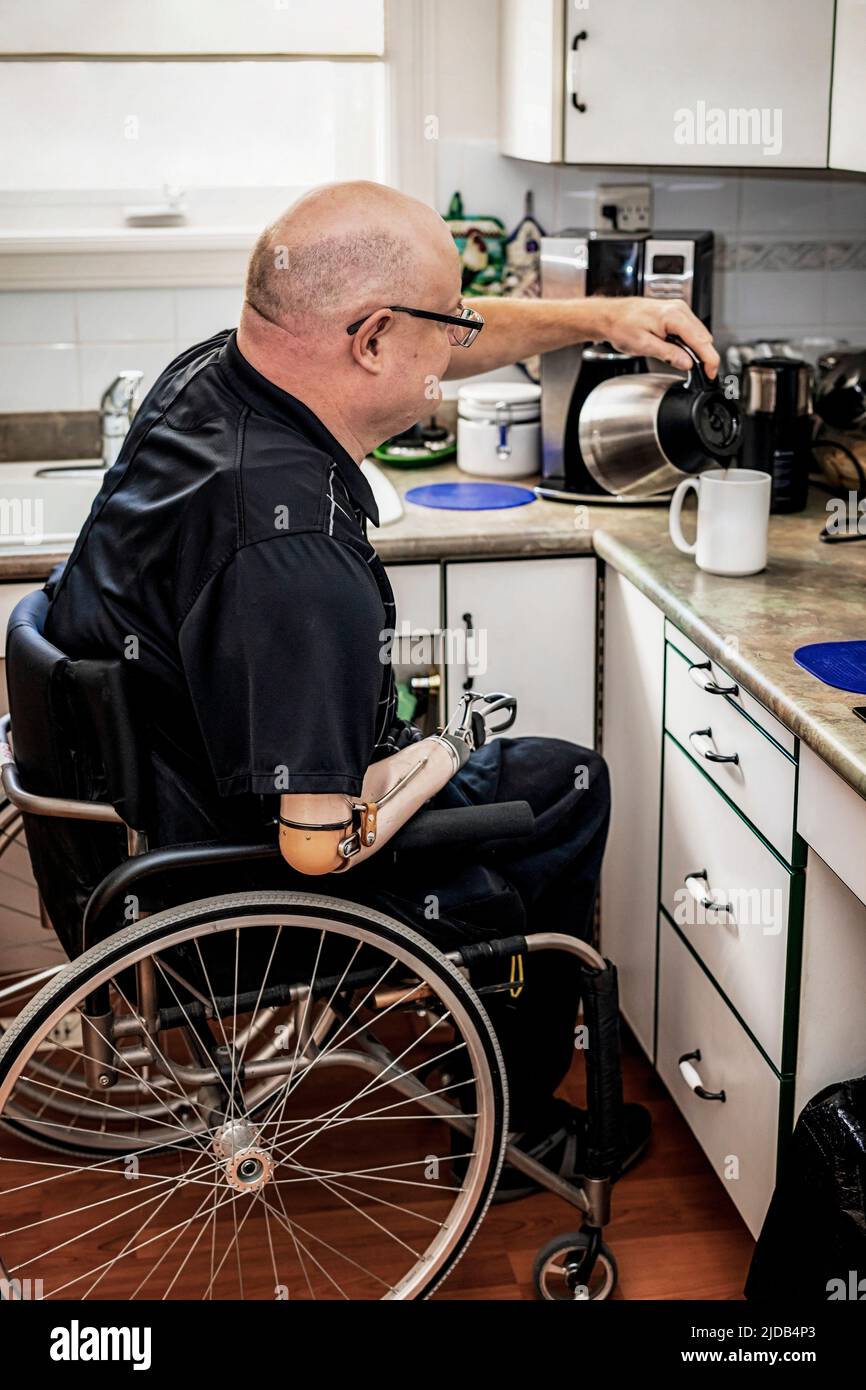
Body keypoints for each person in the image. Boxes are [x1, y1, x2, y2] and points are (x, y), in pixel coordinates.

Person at [44, 180, 719, 1199]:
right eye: (444, 330)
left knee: (511, 772)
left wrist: (597, 317)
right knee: (564, 784)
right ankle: (516, 1131)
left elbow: (434, 322)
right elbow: (317, 847)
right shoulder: (295, 550)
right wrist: (436, 752)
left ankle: (482, 1045)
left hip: (137, 835)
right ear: (369, 342)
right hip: (243, 902)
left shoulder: (207, 381)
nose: (455, 349)